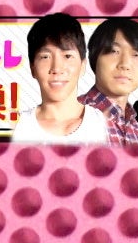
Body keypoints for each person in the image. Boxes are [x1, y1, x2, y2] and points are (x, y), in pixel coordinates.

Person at [11, 13, 111, 145]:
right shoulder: (17, 127)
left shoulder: (103, 124)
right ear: (32, 68)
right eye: (45, 57)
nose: (57, 68)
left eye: (67, 56)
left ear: (83, 66)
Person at [78, 17, 138, 145]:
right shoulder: (73, 116)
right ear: (95, 57)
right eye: (114, 51)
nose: (125, 64)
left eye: (136, 55)